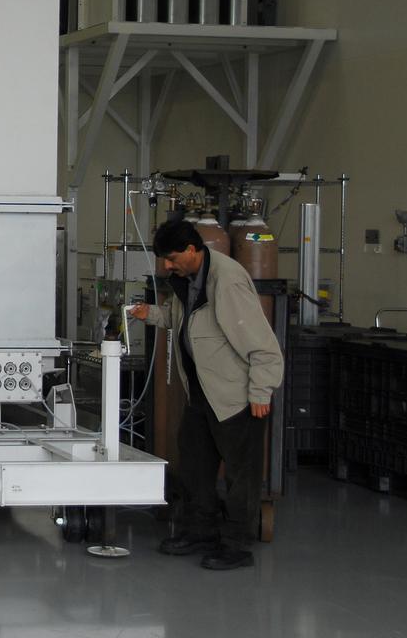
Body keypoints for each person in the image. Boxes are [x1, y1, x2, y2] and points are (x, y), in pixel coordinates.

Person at [129, 218, 283, 571]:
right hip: (201, 393)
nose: (167, 266)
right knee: (195, 466)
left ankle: (235, 544)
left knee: (240, 474)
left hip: (236, 397)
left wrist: (261, 390)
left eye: (171, 258)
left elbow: (263, 345)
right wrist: (149, 314)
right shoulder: (186, 281)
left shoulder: (226, 282)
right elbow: (181, 320)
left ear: (191, 250)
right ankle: (200, 530)